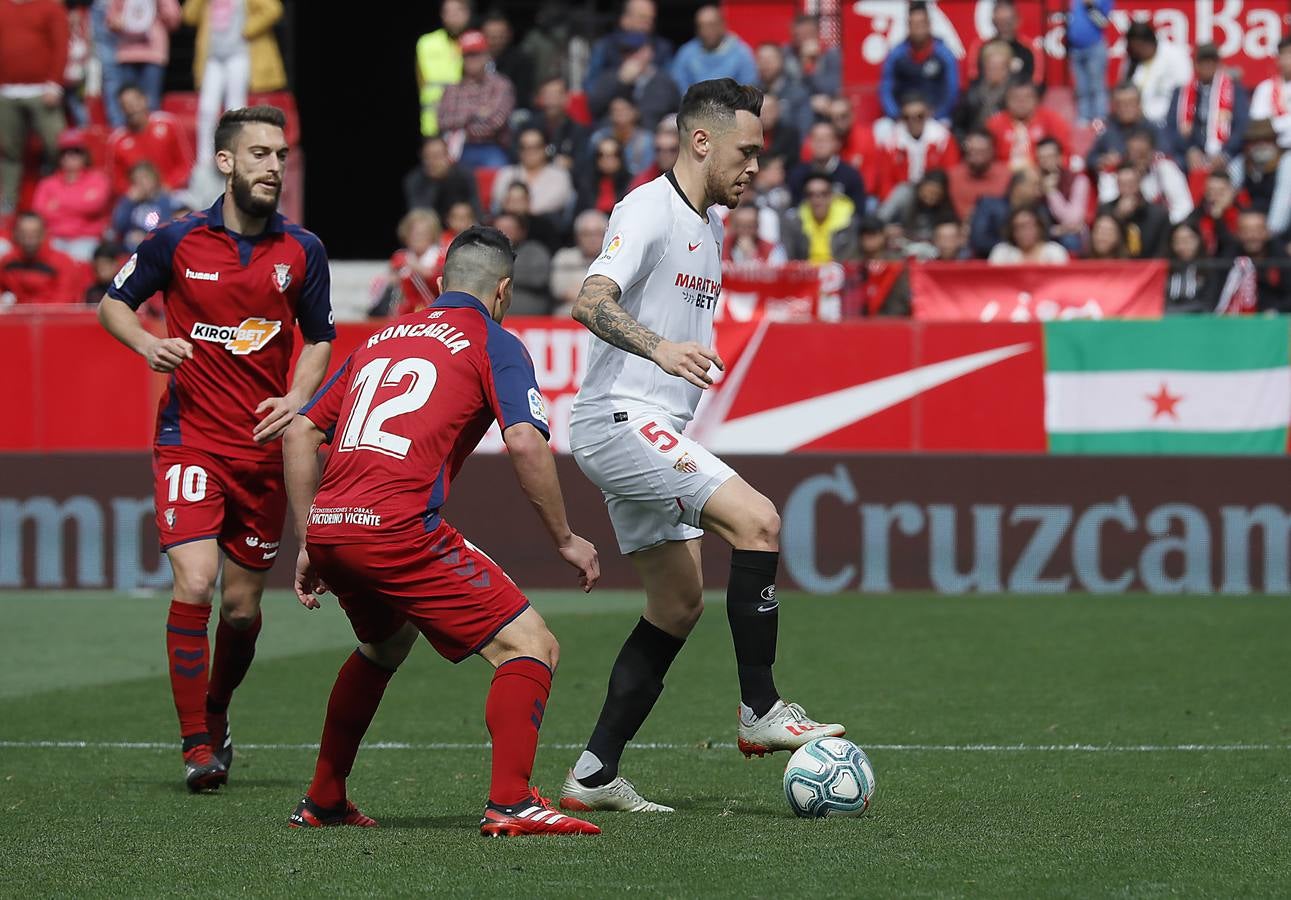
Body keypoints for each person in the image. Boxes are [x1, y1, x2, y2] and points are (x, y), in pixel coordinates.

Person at [559, 79, 844, 813]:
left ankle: (592, 774)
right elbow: (589, 300)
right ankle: (760, 709)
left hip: (646, 426)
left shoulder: (707, 222)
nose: (755, 167)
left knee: (677, 602)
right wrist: (659, 348)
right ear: (700, 142)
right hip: (619, 417)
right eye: (745, 151)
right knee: (759, 521)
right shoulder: (648, 209)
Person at [283, 225, 602, 836]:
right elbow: (526, 443)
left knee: (385, 644)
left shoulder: (380, 341)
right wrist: (564, 537)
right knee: (532, 645)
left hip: (332, 524)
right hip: (397, 530)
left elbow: (300, 433)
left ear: (440, 281)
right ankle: (511, 803)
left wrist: (309, 537)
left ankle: (324, 799)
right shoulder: (494, 340)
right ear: (503, 290)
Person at [97, 106, 335, 793]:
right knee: (194, 583)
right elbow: (112, 303)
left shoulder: (302, 251)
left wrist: (296, 398)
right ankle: (196, 744)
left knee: (240, 609)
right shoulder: (176, 241)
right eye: (259, 153)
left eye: (281, 155)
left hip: (260, 453)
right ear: (225, 163)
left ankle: (219, 709)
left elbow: (319, 337)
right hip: (189, 440)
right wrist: (147, 344)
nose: (273, 166)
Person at [183, 0, 288, 173]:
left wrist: (247, 29)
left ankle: (236, 156)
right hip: (213, 57)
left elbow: (273, 9)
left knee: (236, 107)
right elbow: (189, 16)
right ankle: (204, 163)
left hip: (240, 54)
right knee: (207, 109)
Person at [0, 0, 69, 215]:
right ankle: (8, 204)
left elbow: (61, 44)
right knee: (8, 151)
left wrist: (55, 84)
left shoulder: (50, 6)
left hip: (42, 91)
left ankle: (61, 199)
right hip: (6, 92)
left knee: (57, 146)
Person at [1164, 43, 1248, 178]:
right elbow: (1171, 127)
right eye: (1203, 62)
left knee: (1237, 170)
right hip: (1190, 154)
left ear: (1217, 64)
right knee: (1170, 168)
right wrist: (1189, 150)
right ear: (1195, 65)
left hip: (1226, 154)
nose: (1207, 66)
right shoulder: (1181, 92)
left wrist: (1225, 154)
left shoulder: (1233, 89)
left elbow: (1242, 125)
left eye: (1211, 62)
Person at [438, 30, 515, 169]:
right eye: (467, 55)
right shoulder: (451, 89)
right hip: (458, 148)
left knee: (497, 166)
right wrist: (476, 113)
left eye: (476, 54)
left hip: (492, 146)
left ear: (486, 55)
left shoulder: (500, 84)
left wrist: (463, 128)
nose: (472, 60)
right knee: (443, 171)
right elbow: (443, 121)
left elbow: (496, 123)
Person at [873, 93, 958, 220]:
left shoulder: (942, 139)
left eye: (919, 116)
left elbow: (951, 174)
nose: (913, 122)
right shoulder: (891, 142)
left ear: (928, 114)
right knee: (902, 192)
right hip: (905, 198)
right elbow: (885, 181)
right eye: (907, 117)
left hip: (936, 195)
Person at [32, 129, 112, 261]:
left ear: (84, 155)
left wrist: (58, 205)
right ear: (59, 157)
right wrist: (79, 203)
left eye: (76, 152)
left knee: (80, 260)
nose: (70, 156)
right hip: (54, 238)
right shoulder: (47, 183)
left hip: (85, 238)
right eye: (65, 152)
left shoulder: (98, 179)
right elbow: (39, 212)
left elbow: (94, 206)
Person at [106, 83, 193, 195]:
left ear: (145, 100)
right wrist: (132, 191)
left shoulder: (168, 124)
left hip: (174, 193)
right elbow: (116, 180)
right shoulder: (117, 141)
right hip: (140, 200)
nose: (131, 108)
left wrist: (169, 186)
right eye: (125, 105)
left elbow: (186, 164)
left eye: (135, 101)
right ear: (121, 110)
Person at [879, 2, 958, 124]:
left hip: (936, 118)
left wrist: (938, 113)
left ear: (929, 25)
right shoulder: (896, 55)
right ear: (908, 26)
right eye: (914, 24)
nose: (918, 29)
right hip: (903, 118)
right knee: (881, 128)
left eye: (921, 24)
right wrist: (896, 114)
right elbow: (886, 89)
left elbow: (951, 91)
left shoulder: (944, 54)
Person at [109, 0, 182, 115]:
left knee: (151, 105)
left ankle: (150, 132)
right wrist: (116, 21)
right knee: (127, 109)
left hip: (153, 54)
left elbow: (174, 18)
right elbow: (111, 18)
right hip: (127, 54)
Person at [986, 79, 1072, 170]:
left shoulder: (1053, 121)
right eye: (1016, 98)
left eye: (1027, 97)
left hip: (1041, 174)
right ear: (1007, 100)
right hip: (1003, 175)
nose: (1021, 102)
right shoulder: (994, 124)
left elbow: (1065, 156)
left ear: (1037, 99)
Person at [0, 212, 83, 305]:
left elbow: (64, 300)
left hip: (51, 316)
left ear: (44, 233)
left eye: (34, 233)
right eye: (23, 233)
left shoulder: (63, 263)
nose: (28, 238)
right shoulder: (7, 262)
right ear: (15, 234)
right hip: (15, 316)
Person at [491, 127, 575, 218]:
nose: (530, 152)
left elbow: (559, 200)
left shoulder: (559, 174)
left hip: (547, 225)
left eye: (535, 147)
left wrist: (526, 209)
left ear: (545, 148)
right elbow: (499, 199)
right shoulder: (507, 173)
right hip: (510, 224)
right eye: (525, 147)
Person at [671, 5, 756, 94]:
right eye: (701, 26)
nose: (706, 30)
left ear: (723, 25)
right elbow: (679, 86)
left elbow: (747, 89)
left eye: (711, 25)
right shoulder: (686, 53)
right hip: (694, 105)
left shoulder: (741, 53)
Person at [415, 0, 471, 137]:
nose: (453, 16)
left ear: (468, 13)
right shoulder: (426, 43)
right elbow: (420, 82)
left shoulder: (475, 42)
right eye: (448, 12)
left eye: (458, 11)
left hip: (468, 127)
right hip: (433, 125)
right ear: (442, 15)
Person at [1121, 20, 1191, 127]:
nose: (1134, 52)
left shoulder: (1174, 56)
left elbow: (1182, 94)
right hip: (1136, 122)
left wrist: (1145, 113)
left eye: (1136, 48)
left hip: (1167, 122)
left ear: (1146, 43)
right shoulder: (1132, 60)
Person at [379, 207, 448, 317]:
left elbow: (439, 283)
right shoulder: (400, 257)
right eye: (414, 233)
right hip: (405, 314)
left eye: (422, 234)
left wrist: (415, 267)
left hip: (432, 314)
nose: (417, 238)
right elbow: (392, 283)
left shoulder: (441, 256)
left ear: (432, 235)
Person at [1229, 119, 1291, 238]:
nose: (1261, 145)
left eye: (1266, 140)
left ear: (1275, 142)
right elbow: (1229, 186)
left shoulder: (1286, 161)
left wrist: (1269, 232)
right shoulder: (1243, 163)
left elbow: (1283, 200)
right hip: (1249, 229)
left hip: (1280, 232)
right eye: (1255, 141)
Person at [586, 0, 673, 85]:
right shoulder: (605, 46)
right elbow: (591, 86)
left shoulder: (661, 48)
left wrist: (649, 72)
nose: (648, 24)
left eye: (651, 19)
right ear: (624, 19)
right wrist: (619, 77)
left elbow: (672, 87)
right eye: (642, 18)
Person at [789, 121, 865, 212]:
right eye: (816, 139)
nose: (820, 144)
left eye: (825, 139)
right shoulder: (797, 175)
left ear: (837, 143)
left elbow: (858, 213)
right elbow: (793, 210)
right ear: (809, 143)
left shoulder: (851, 176)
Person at [1097, 163, 1169, 258]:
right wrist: (1118, 216)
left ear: (1139, 183)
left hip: (1148, 267)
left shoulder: (1159, 214)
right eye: (1122, 184)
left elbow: (1162, 250)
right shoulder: (1106, 210)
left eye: (1131, 184)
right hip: (1116, 266)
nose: (1127, 189)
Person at [403, 135, 480, 221]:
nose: (432, 161)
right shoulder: (414, 179)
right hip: (432, 228)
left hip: (460, 225)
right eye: (427, 157)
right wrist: (434, 182)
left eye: (437, 156)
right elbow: (418, 213)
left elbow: (476, 209)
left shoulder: (464, 174)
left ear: (447, 155)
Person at [1086, 84, 1158, 176]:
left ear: (1139, 104)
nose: (1126, 108)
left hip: (1148, 178)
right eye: (1121, 104)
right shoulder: (1108, 129)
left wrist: (1145, 157)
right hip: (1117, 181)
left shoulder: (1151, 129)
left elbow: (1167, 155)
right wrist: (1103, 160)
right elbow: (1090, 158)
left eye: (1130, 103)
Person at [782, 13, 841, 124]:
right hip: (793, 107)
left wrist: (810, 67)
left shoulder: (830, 54)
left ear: (816, 34)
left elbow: (831, 89)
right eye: (796, 35)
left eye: (805, 35)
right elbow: (784, 88)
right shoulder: (785, 54)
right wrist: (808, 101)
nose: (800, 40)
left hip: (823, 110)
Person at [524, 77, 590, 171]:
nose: (551, 100)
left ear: (566, 98)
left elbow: (583, 165)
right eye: (547, 95)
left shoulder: (578, 131)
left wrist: (571, 164)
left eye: (555, 95)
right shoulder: (529, 127)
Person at [550, 209, 609, 315]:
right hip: (567, 317)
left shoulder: (613, 260)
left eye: (597, 233)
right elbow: (559, 290)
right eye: (587, 234)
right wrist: (598, 295)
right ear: (577, 236)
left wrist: (580, 293)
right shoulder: (564, 257)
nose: (592, 239)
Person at [966, 0, 1038, 86]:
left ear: (1017, 20)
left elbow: (1037, 81)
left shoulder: (1029, 48)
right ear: (993, 21)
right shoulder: (980, 47)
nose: (1004, 26)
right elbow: (973, 78)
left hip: (1019, 97)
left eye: (1008, 21)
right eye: (1000, 22)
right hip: (988, 97)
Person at [1037, 137, 1089, 253]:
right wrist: (1054, 230)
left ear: (1060, 157)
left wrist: (1051, 191)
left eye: (1050, 156)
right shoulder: (1032, 182)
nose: (1046, 161)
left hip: (1068, 236)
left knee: (1070, 240)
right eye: (1042, 158)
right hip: (1039, 236)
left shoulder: (1078, 180)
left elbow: (1073, 220)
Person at [1234, 209, 1291, 311]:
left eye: (1257, 230)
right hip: (1238, 320)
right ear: (1238, 234)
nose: (1252, 236)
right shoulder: (1230, 258)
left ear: (1267, 232)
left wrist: (1276, 310)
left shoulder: (1281, 258)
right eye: (1246, 231)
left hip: (1274, 320)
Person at [947, 130, 1011, 222]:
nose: (976, 155)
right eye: (972, 150)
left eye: (982, 151)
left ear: (992, 151)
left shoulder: (1006, 176)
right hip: (958, 226)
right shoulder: (952, 176)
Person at [954, 40, 1014, 136]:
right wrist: (965, 141)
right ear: (984, 67)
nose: (996, 72)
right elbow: (959, 125)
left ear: (1009, 68)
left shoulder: (1015, 93)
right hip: (976, 141)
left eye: (1000, 67)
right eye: (992, 67)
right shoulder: (972, 92)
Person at [1067, 0, 1112, 126]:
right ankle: (1084, 116)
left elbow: (1103, 22)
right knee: (1081, 87)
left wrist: (1091, 7)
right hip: (1075, 49)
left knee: (1097, 85)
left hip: (1094, 47)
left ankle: (1101, 117)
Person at [754, 42, 811, 138]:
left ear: (781, 61)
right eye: (761, 60)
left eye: (770, 59)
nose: (765, 64)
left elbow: (804, 131)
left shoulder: (797, 93)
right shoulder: (751, 94)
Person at [482, 10, 535, 111]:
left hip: (511, 111)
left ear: (509, 35)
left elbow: (522, 99)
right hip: (479, 110)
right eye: (491, 37)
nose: (495, 41)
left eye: (500, 37)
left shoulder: (521, 61)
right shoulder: (474, 60)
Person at [589, 96, 654, 176]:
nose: (619, 113)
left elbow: (648, 173)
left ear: (635, 112)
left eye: (624, 109)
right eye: (615, 110)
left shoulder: (647, 140)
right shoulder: (599, 138)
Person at [1165, 221, 1220, 312]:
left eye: (1189, 240)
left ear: (1199, 240)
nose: (1183, 246)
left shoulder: (1210, 268)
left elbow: (1209, 303)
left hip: (1199, 322)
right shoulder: (1164, 268)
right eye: (1178, 241)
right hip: (1169, 322)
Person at [988, 206, 1070, 264]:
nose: (1025, 231)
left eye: (1029, 226)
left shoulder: (1055, 251)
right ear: (1012, 231)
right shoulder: (1001, 252)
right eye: (1019, 227)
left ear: (1039, 227)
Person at [1186, 170, 1239, 257]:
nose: (1214, 196)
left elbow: (1232, 247)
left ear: (1231, 192)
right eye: (1210, 190)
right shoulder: (1198, 213)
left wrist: (1218, 218)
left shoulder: (1242, 214)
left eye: (1220, 191)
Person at [1250, 36, 1291, 149]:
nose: (1288, 59)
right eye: (1284, 54)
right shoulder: (1265, 88)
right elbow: (1259, 125)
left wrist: (1274, 123)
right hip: (1269, 149)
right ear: (1278, 59)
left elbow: (1270, 124)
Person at [577, 136, 632, 215]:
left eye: (614, 154)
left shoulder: (631, 183)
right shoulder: (587, 182)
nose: (607, 159)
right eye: (601, 155)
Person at [629, 118, 679, 191]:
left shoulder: (694, 179)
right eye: (658, 150)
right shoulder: (643, 182)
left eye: (672, 150)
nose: (664, 155)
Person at [84, 240, 126, 305]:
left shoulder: (126, 290)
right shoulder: (93, 292)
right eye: (98, 265)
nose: (101, 269)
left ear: (116, 264)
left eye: (105, 265)